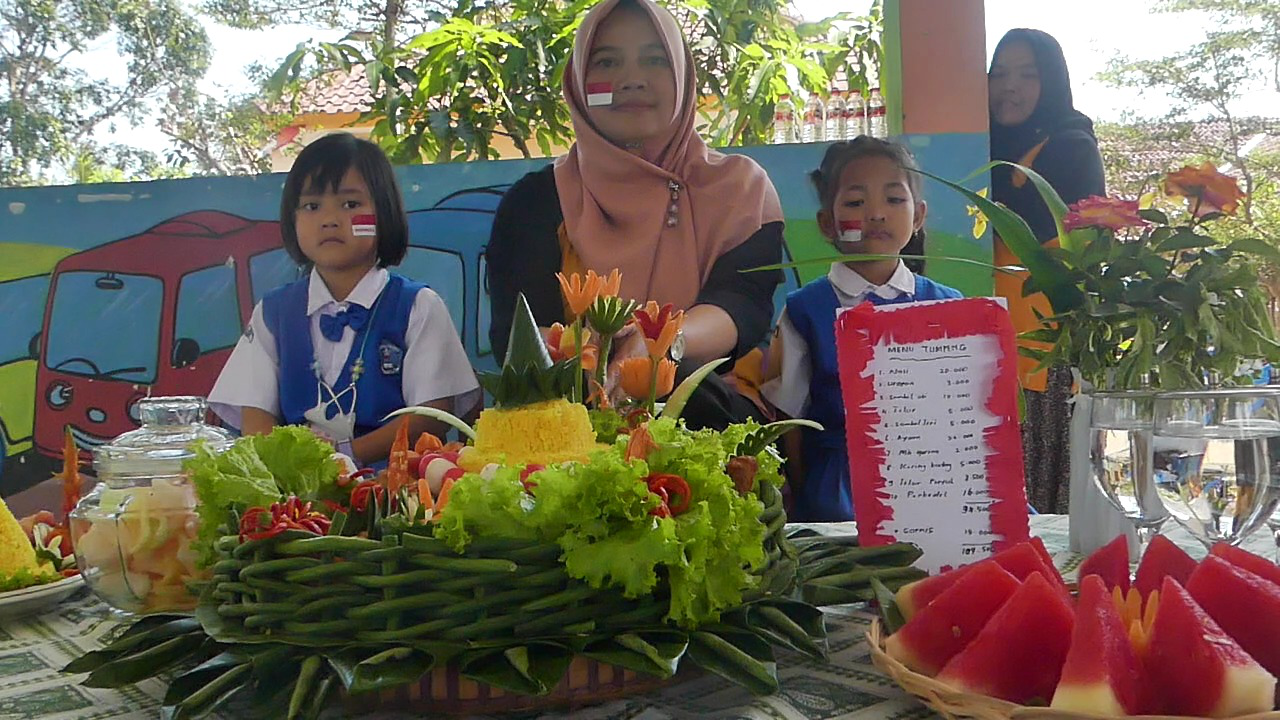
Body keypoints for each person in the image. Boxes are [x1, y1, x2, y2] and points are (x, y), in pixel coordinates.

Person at [486, 0, 785, 428]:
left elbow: (742, 305)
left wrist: (658, 348)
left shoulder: (740, 190)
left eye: (655, 60)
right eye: (607, 62)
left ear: (682, 76)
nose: (631, 80)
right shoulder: (534, 203)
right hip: (571, 416)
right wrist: (599, 366)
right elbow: (519, 338)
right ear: (578, 83)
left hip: (708, 408)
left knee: (689, 393)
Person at [209, 133, 480, 466]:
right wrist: (298, 465)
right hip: (296, 500)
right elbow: (255, 415)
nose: (329, 219)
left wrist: (344, 457)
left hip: (393, 495)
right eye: (311, 206)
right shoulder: (273, 313)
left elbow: (432, 415)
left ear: (384, 214)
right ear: (292, 219)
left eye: (351, 205)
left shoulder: (419, 306)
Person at [762, 138, 963, 522]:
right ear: (827, 223)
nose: (876, 214)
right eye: (855, 203)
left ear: (918, 216)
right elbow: (790, 419)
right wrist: (804, 490)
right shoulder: (805, 311)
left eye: (894, 200)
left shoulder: (948, 306)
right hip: (841, 488)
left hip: (935, 480)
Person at [989, 29, 1106, 512]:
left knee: (1041, 506)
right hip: (982, 343)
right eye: (999, 73)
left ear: (1051, 81)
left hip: (1043, 352)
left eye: (1027, 74)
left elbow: (1085, 249)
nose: (1008, 86)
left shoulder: (1070, 145)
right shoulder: (976, 144)